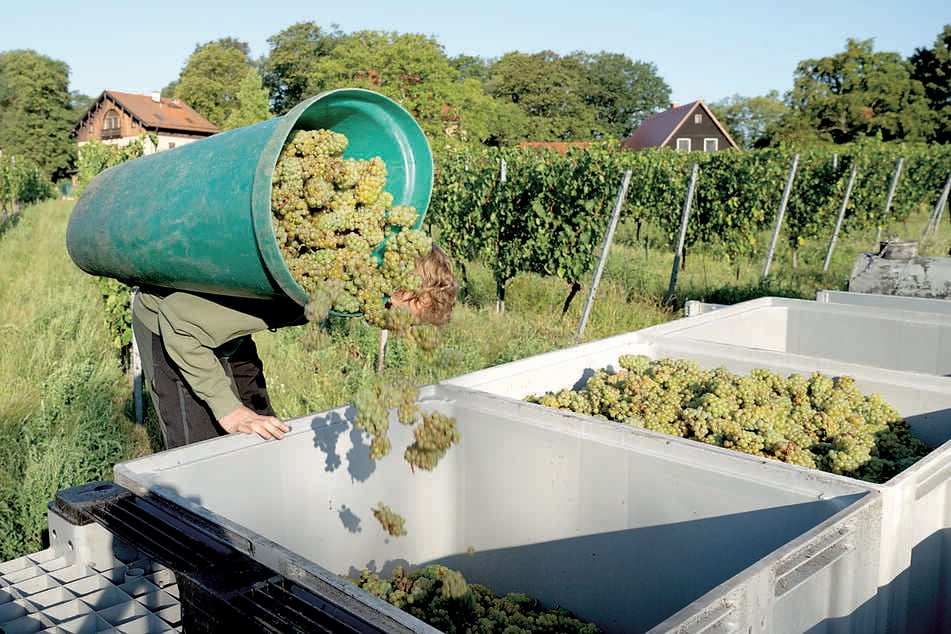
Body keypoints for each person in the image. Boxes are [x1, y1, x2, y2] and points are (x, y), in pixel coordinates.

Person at [131, 244, 458, 450]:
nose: (397, 331)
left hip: (226, 335)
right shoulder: (302, 285)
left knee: (263, 443)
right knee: (201, 466)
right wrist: (229, 410)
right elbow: (180, 321)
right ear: (398, 289)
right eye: (400, 317)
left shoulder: (352, 279)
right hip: (172, 331)